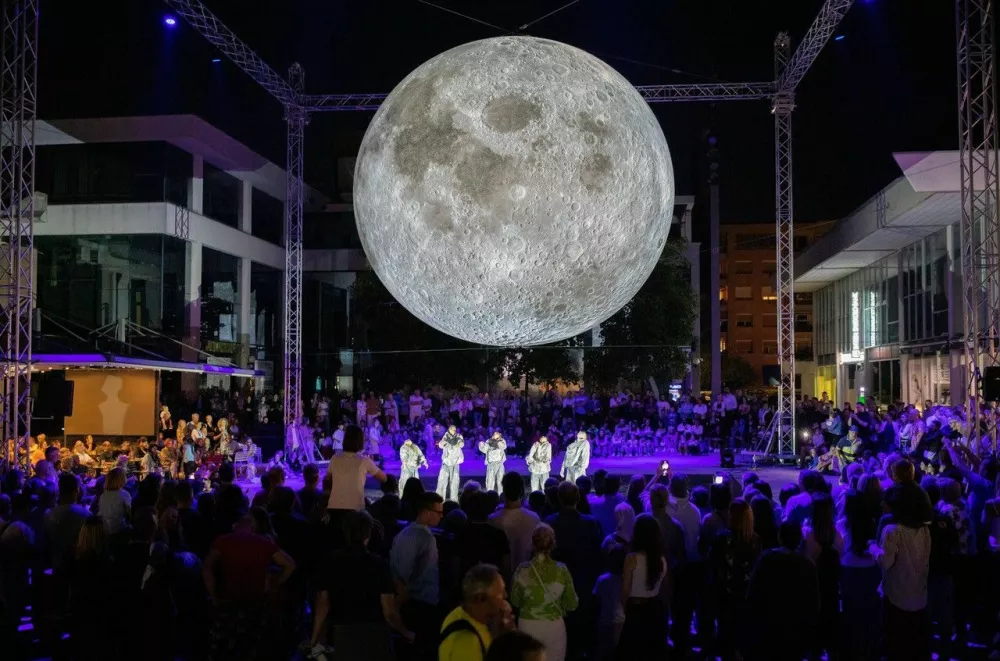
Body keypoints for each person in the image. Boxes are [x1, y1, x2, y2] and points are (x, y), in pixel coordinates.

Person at [310, 511, 413, 661]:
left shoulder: (330, 560)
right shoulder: (379, 564)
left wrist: (314, 639)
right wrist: (406, 632)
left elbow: (322, 604)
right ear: (368, 535)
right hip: (372, 635)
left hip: (340, 633)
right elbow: (389, 611)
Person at [743, 521, 819, 661]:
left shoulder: (766, 559)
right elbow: (813, 602)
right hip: (795, 630)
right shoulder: (807, 564)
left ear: (780, 537)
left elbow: (753, 592)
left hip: (768, 627)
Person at [510, 524, 578, 661]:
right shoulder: (561, 570)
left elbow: (515, 601)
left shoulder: (522, 570)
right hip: (554, 626)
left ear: (533, 543)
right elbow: (572, 605)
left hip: (527, 625)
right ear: (552, 545)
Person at [391, 491, 445, 660]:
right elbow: (407, 574)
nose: (441, 516)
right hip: (421, 605)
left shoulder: (402, 533)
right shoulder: (425, 538)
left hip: (411, 603)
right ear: (427, 512)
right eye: (439, 512)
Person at [615, 514, 668, 661]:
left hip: (636, 610)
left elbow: (625, 590)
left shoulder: (632, 558)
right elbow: (664, 587)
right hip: (655, 609)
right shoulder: (661, 559)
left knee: (634, 652)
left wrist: (625, 608)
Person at [439, 563, 515, 661]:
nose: (506, 596)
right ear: (481, 598)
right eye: (501, 593)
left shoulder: (459, 614)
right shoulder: (467, 643)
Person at [327, 424, 387, 512]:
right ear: (360, 441)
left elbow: (328, 478)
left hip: (334, 507)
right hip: (355, 508)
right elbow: (384, 478)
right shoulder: (364, 460)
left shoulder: (334, 458)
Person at [490, 472, 541, 574]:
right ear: (522, 491)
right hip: (528, 576)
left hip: (501, 577)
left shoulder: (492, 520)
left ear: (503, 491)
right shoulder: (534, 519)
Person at [97, 466, 131, 536]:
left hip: (104, 530)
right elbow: (130, 513)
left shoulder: (103, 495)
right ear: (121, 479)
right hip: (119, 530)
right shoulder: (124, 494)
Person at [438, 425, 465, 502]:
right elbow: (440, 445)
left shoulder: (459, 436)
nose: (454, 430)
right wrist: (445, 443)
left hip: (455, 462)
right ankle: (440, 500)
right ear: (449, 430)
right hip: (446, 461)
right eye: (452, 429)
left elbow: (462, 444)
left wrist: (458, 442)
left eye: (454, 429)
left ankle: (454, 500)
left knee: (455, 481)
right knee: (443, 480)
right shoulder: (446, 436)